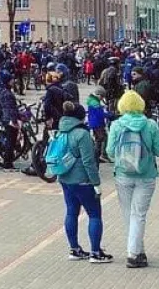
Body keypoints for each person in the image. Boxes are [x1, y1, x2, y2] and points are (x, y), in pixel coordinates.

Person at [105, 90, 159, 269]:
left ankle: (137, 250)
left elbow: (109, 152)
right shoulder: (150, 125)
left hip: (123, 175)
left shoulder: (117, 125)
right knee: (138, 214)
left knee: (128, 214)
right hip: (146, 175)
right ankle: (134, 253)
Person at [56, 101, 112, 264]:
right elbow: (88, 161)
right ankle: (96, 252)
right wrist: (96, 182)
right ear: (81, 117)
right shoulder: (82, 134)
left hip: (65, 178)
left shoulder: (60, 131)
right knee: (94, 215)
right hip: (83, 180)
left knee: (71, 212)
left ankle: (74, 249)